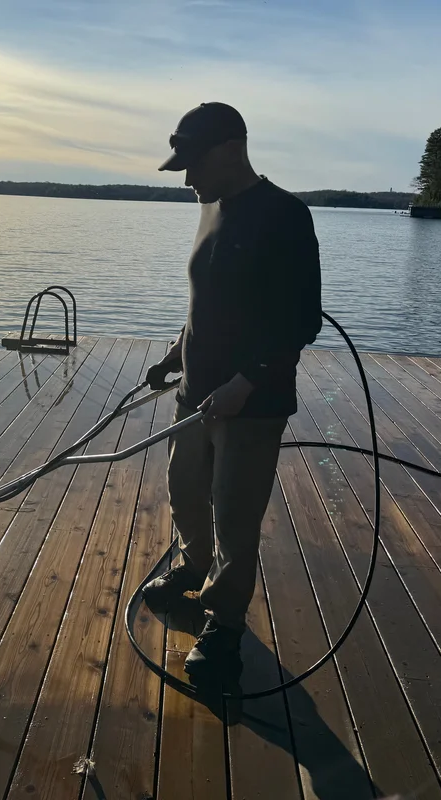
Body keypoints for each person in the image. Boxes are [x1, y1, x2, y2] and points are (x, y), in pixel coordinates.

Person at [142, 102, 322, 684]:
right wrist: (176, 352)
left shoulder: (284, 216)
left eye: (193, 163)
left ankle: (223, 625)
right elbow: (206, 300)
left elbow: (301, 322)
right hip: (194, 396)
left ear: (230, 148)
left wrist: (245, 384)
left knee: (235, 518)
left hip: (251, 404)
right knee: (186, 492)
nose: (187, 177)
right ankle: (191, 566)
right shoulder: (210, 207)